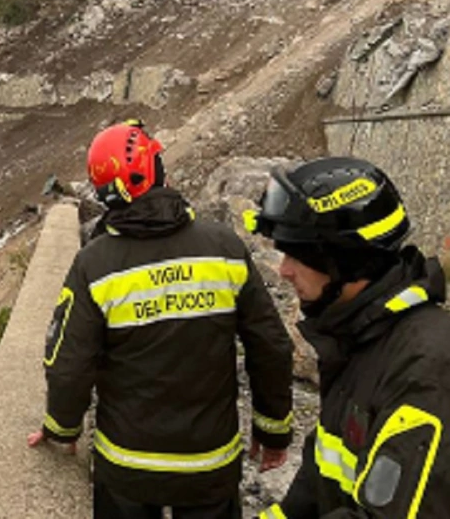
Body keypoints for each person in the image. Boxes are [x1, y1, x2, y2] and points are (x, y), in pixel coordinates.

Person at [29, 120, 295, 519]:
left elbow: (69, 364)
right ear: (155, 171)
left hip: (126, 470)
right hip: (210, 467)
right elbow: (271, 346)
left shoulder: (95, 264)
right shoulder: (223, 247)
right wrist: (273, 430)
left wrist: (62, 429)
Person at [243, 156, 450, 518]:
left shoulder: (426, 366)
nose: (283, 271)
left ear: (345, 261)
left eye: (297, 255)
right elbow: (316, 488)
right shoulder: (360, 340)